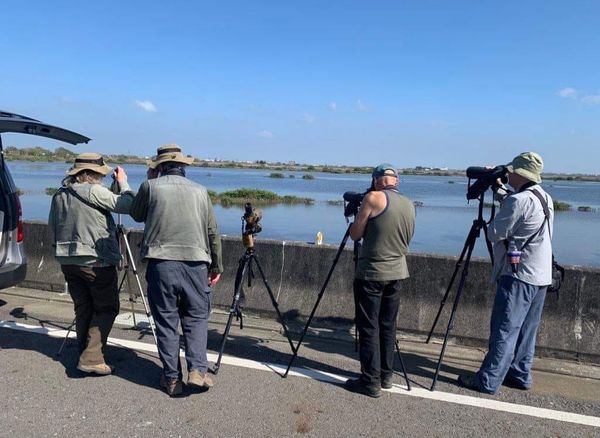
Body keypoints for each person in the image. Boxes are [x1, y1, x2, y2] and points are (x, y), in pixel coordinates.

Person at [129, 144, 223, 397]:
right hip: (196, 263)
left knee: (167, 322)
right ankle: (198, 371)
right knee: (196, 318)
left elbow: (136, 214)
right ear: (183, 167)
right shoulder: (201, 191)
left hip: (162, 264)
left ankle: (172, 379)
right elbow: (212, 231)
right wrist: (217, 265)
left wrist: (148, 181)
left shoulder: (150, 187)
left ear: (159, 167)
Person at [458, 152, 554, 394]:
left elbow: (494, 234)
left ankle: (487, 380)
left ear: (519, 174)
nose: (508, 173)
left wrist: (492, 217)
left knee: (505, 328)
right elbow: (518, 207)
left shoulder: (518, 201)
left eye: (511, 171)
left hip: (518, 275)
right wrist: (499, 189)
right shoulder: (543, 197)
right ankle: (520, 374)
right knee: (527, 331)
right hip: (541, 275)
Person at [49, 153, 133, 375]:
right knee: (107, 307)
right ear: (95, 174)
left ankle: (84, 351)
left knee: (84, 306)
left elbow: (52, 225)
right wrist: (123, 182)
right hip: (95, 260)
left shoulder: (60, 194)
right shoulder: (94, 191)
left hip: (67, 260)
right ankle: (91, 358)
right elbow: (128, 205)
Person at [344, 163, 416, 398]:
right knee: (388, 325)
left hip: (373, 273)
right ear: (397, 181)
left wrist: (358, 214)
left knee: (369, 326)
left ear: (376, 180)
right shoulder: (409, 204)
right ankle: (386, 376)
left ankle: (369, 381)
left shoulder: (373, 199)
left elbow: (356, 234)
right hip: (398, 272)